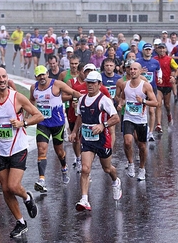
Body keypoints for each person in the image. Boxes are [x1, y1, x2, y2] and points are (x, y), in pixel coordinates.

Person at [0, 67, 42, 238]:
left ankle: (27, 196)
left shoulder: (17, 97)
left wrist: (23, 124)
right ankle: (21, 222)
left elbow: (38, 115)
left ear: (7, 78)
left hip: (17, 147)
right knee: (6, 190)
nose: (1, 80)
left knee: (13, 186)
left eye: (4, 77)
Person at [69, 70, 121, 211]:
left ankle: (116, 181)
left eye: (93, 83)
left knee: (107, 168)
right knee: (85, 169)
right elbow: (79, 117)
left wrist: (102, 125)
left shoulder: (104, 100)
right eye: (88, 83)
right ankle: (84, 199)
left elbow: (116, 118)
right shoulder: (82, 99)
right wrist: (74, 132)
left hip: (102, 139)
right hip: (87, 139)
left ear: (99, 84)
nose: (90, 85)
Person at [30, 65, 80, 193]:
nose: (42, 77)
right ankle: (41, 179)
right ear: (35, 77)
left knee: (59, 151)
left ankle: (64, 167)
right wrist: (25, 117)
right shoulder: (33, 88)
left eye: (43, 74)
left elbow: (73, 92)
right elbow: (30, 102)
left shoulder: (56, 84)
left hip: (57, 123)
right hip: (42, 123)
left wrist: (86, 99)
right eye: (39, 75)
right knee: (41, 150)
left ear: (47, 74)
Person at [118, 62, 158, 180]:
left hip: (141, 119)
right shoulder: (125, 85)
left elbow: (155, 102)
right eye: (131, 69)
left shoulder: (145, 86)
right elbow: (122, 98)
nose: (133, 71)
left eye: (135, 69)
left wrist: (143, 102)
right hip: (128, 117)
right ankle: (131, 164)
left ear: (140, 71)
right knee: (127, 142)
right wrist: (121, 104)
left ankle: (141, 168)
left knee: (142, 146)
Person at [137, 43, 162, 141]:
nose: (147, 51)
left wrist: (159, 78)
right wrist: (140, 72)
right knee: (142, 111)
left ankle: (151, 133)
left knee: (152, 110)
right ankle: (143, 128)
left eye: (149, 49)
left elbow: (159, 70)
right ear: (143, 50)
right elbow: (132, 73)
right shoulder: (138, 62)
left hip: (152, 88)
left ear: (152, 51)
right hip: (141, 89)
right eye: (146, 49)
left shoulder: (155, 62)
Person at [153, 43, 178, 133]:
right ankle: (159, 124)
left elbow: (176, 69)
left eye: (163, 48)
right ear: (157, 50)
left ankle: (169, 114)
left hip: (167, 84)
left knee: (166, 105)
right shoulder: (154, 60)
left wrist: (174, 77)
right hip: (158, 85)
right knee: (158, 104)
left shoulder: (170, 59)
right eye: (160, 48)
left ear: (166, 50)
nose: (162, 50)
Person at [101, 58, 122, 148]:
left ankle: (110, 150)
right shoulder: (100, 77)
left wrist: (120, 103)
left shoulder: (119, 79)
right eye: (107, 66)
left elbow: (123, 94)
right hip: (102, 107)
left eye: (111, 66)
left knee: (111, 129)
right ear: (104, 67)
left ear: (114, 67)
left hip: (114, 107)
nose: (109, 68)